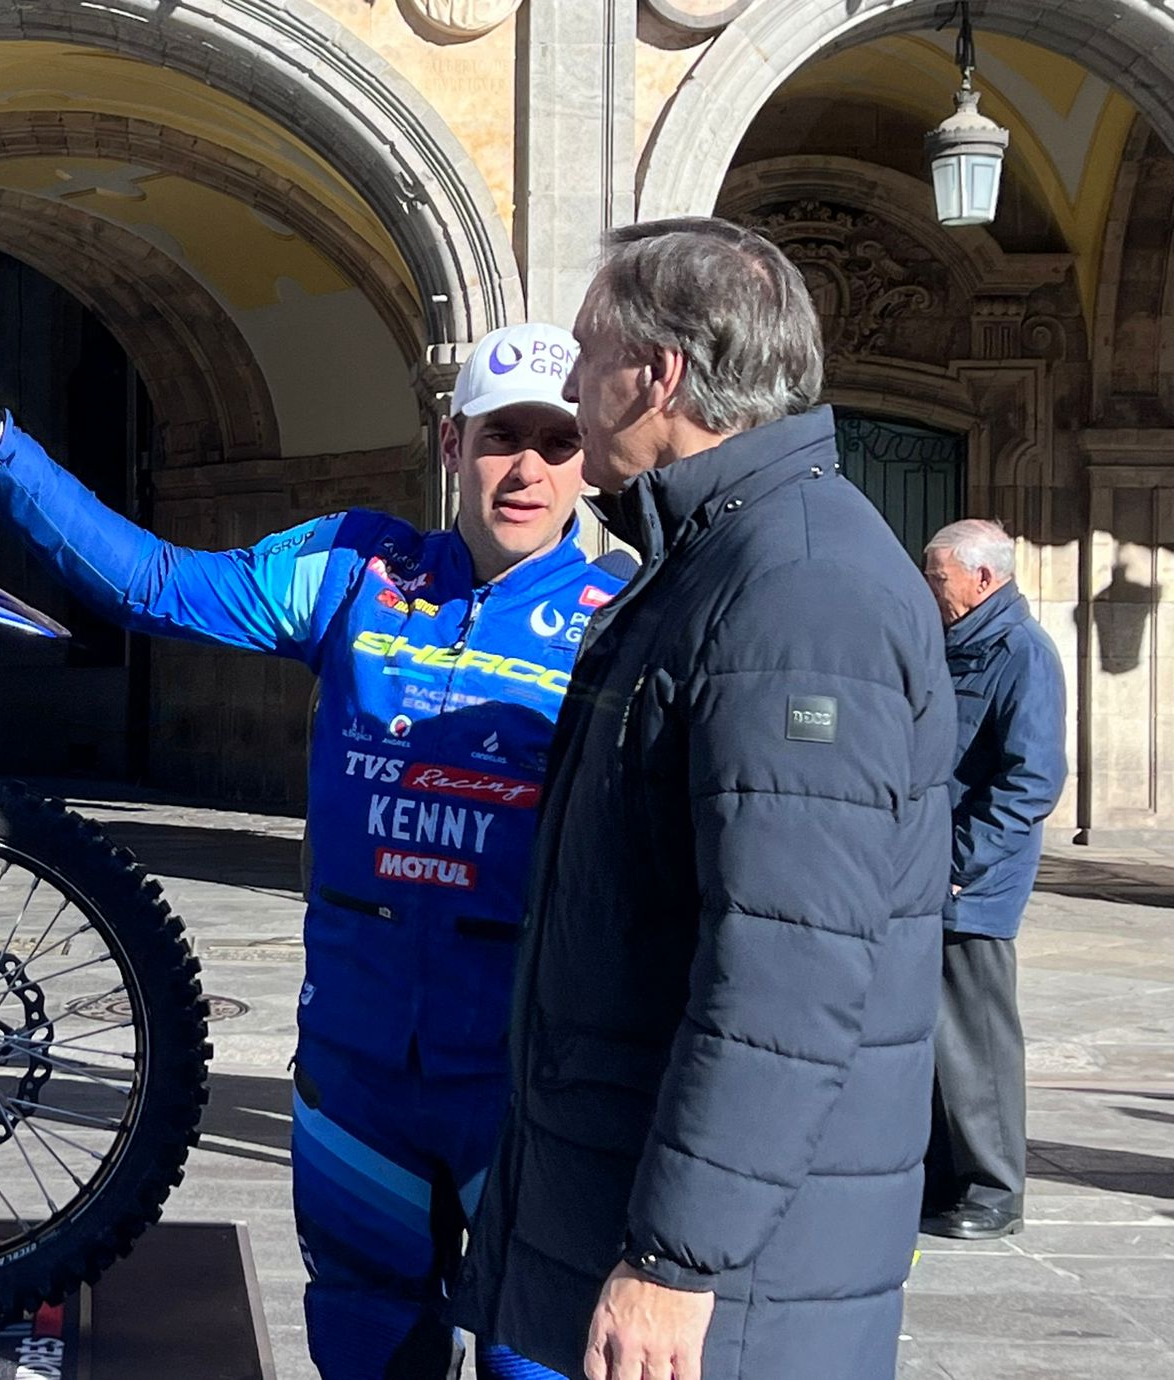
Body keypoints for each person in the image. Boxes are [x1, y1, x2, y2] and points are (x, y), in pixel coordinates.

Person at [0, 323, 624, 1380]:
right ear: (452, 447)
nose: (526, 469)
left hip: (523, 1075)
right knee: (362, 1340)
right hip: (357, 1066)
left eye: (554, 441)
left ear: (588, 458)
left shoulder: (622, 614)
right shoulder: (359, 568)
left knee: (532, 1355)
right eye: (501, 438)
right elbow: (153, 583)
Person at [455, 218, 956, 1380]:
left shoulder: (799, 593)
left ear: (658, 374)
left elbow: (784, 972)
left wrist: (676, 1263)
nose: (573, 390)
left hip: (730, 1296)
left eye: (586, 357)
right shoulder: (716, 555)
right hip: (629, 1200)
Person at [919, 518, 1066, 1241]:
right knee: (936, 1040)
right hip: (931, 874)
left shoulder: (1021, 654)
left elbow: (1031, 780)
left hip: (970, 884)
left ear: (983, 577)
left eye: (939, 577)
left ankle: (993, 1187)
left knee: (976, 1038)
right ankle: (946, 1178)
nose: (931, 588)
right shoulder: (955, 648)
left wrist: (958, 867)